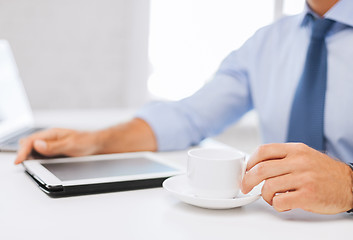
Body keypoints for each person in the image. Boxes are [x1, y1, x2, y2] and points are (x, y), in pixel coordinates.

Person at [15, 0, 353, 215]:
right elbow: (190, 116)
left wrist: (349, 184)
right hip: (279, 226)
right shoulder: (267, 41)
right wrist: (94, 141)